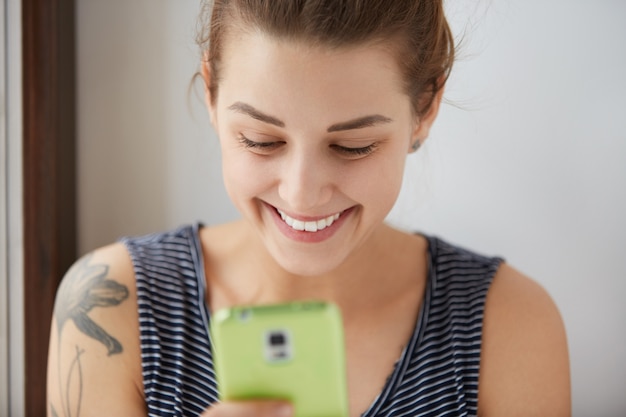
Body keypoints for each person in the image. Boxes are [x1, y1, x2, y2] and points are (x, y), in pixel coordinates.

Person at [47, 1, 571, 416]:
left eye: (353, 146)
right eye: (259, 139)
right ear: (211, 92)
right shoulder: (110, 307)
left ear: (425, 107)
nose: (301, 194)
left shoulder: (508, 326)